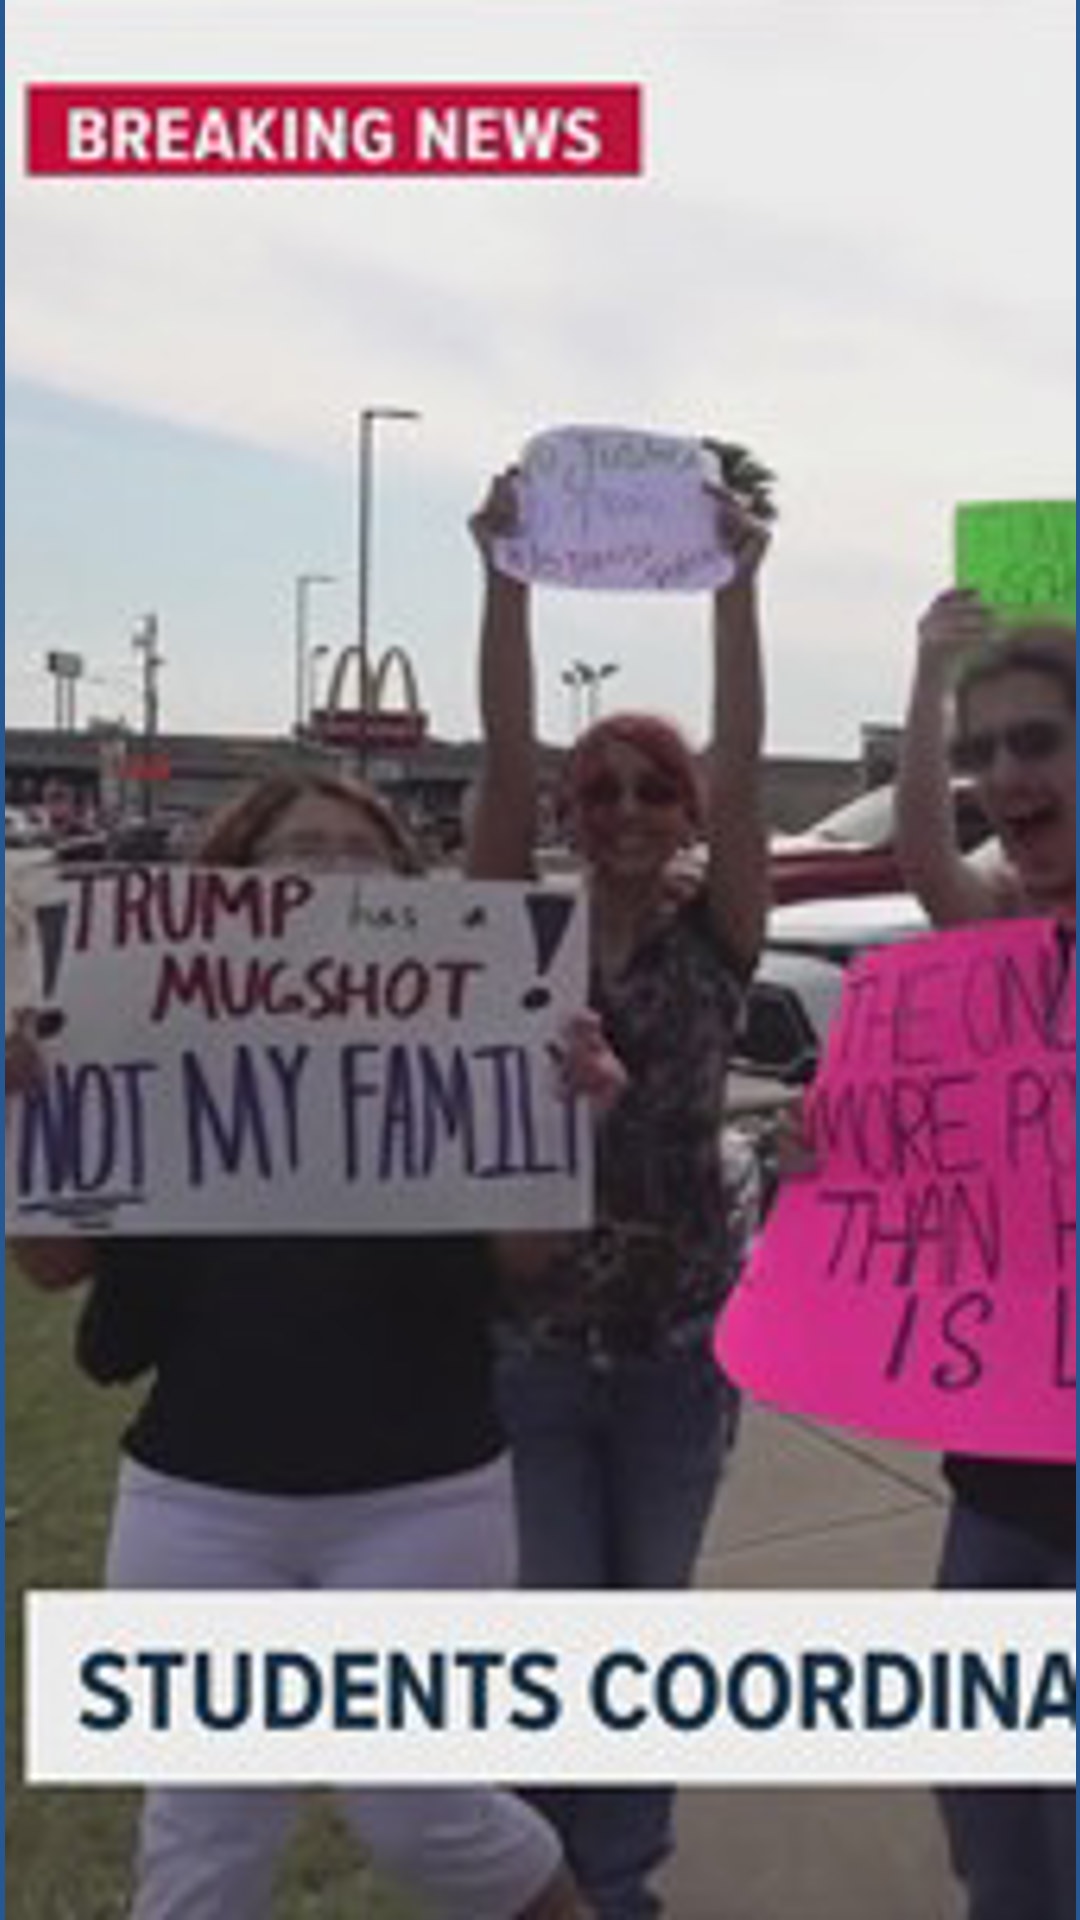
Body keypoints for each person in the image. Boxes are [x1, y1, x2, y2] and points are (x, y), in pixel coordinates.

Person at [8, 768, 604, 1920]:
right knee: (202, 1837)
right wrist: (26, 1109)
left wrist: (566, 1116)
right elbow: (51, 1265)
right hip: (199, 1500)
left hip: (424, 1496)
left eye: (357, 852)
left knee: (423, 1812)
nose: (328, 873)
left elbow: (526, 1256)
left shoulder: (466, 1036)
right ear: (233, 884)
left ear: (401, 888)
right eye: (299, 852)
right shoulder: (142, 1037)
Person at [467, 466, 771, 1920]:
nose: (629, 808)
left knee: (643, 1639)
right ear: (571, 811)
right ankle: (544, 1887)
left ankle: (622, 1886)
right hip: (534, 1348)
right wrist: (504, 581)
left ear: (688, 807)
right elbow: (500, 762)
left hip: (679, 1350)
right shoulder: (515, 930)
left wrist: (741, 588)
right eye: (601, 789)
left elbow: (749, 753)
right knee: (549, 1637)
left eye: (656, 786)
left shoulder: (723, 932)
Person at [895, 590, 1076, 1920]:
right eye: (984, 752)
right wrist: (929, 673)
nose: (1006, 776)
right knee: (986, 1789)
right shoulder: (1005, 945)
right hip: (1006, 1460)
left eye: (1039, 742)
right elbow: (925, 856)